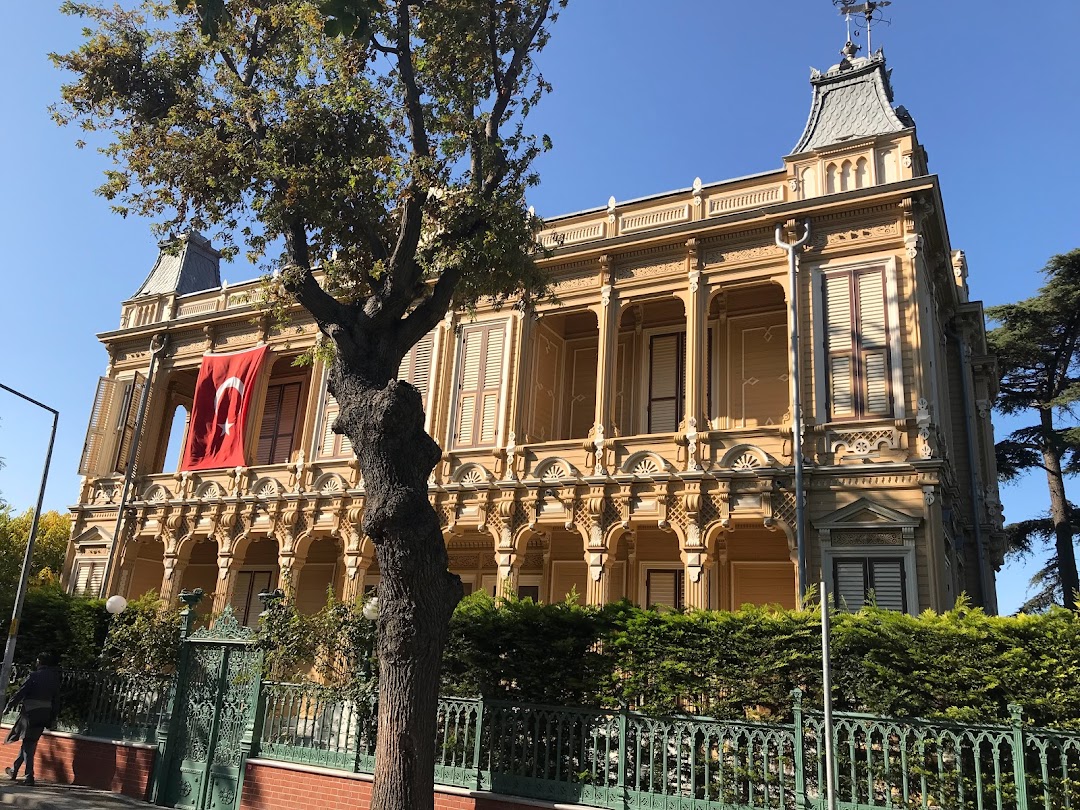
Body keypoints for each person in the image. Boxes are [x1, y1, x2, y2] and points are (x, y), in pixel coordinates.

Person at [3, 654, 62, 787]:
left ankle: (29, 776)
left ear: (39, 662)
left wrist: (8, 707)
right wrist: (53, 717)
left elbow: (20, 693)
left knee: (28, 744)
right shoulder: (54, 679)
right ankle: (14, 770)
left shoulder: (33, 676)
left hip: (30, 714)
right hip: (44, 714)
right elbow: (56, 700)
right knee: (29, 742)